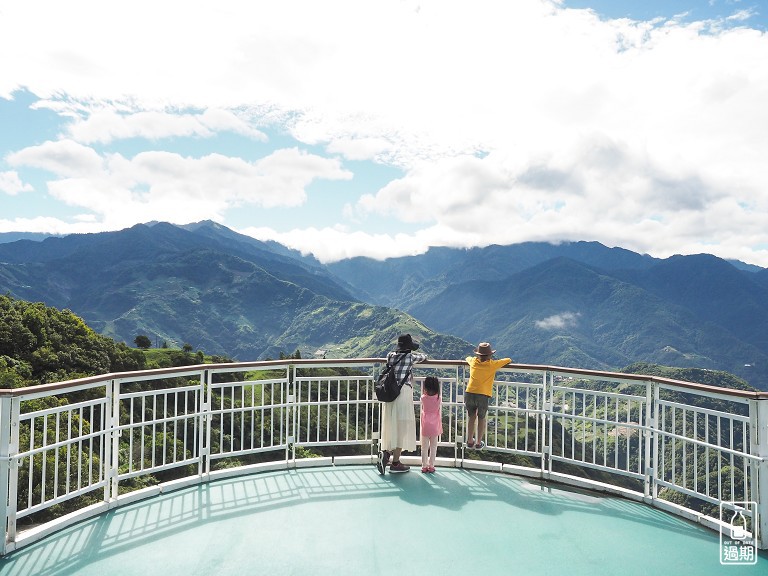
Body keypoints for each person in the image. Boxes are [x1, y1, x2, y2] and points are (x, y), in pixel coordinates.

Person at [377, 334, 427, 474]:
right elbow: (424, 356)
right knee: (402, 426)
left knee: (391, 423)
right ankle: (395, 462)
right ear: (409, 347)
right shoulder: (410, 358)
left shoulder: (390, 356)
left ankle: (386, 453)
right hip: (403, 393)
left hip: (390, 393)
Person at [464, 342, 511, 450]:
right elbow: (508, 360)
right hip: (483, 395)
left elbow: (467, 358)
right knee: (481, 418)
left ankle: (470, 441)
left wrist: (472, 358)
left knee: (471, 416)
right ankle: (478, 443)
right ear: (490, 355)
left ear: (478, 355)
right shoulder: (492, 364)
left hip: (470, 392)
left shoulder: (473, 362)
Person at [420, 376, 442, 473]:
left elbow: (423, 396)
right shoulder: (439, 398)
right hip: (435, 425)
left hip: (425, 425)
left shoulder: (423, 398)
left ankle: (424, 466)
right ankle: (431, 465)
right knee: (433, 447)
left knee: (424, 447)